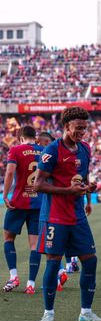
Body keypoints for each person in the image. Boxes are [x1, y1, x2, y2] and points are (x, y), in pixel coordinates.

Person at [35, 106, 101, 321]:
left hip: (77, 217)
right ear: (66, 126)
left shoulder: (85, 148)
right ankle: (48, 312)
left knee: (91, 261)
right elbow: (38, 184)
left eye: (84, 128)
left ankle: (86, 312)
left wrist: (88, 189)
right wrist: (68, 191)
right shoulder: (52, 150)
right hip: (56, 216)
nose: (81, 133)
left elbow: (82, 178)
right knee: (53, 262)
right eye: (78, 128)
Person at [3, 125, 43, 294]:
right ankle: (31, 284)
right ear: (35, 137)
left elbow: (10, 172)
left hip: (18, 202)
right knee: (34, 245)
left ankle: (14, 276)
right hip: (39, 203)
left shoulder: (16, 150)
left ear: (20, 137)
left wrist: (5, 194)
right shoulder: (45, 150)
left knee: (8, 238)